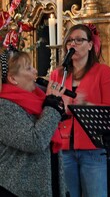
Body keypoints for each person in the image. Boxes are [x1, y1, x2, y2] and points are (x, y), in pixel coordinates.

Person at [50, 23, 110, 197]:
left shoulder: (104, 72)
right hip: (64, 149)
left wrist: (86, 105)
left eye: (79, 40)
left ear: (90, 45)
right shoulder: (57, 74)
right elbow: (48, 108)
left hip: (94, 149)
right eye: (70, 41)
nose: (73, 44)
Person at [0, 47, 68, 197]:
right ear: (12, 79)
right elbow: (34, 141)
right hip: (17, 190)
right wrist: (52, 107)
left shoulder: (38, 99)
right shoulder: (4, 107)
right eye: (29, 68)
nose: (35, 71)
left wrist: (55, 107)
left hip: (46, 185)